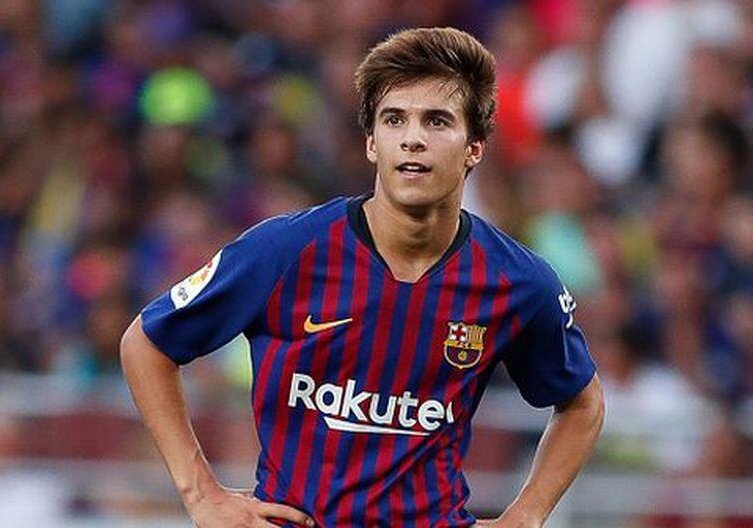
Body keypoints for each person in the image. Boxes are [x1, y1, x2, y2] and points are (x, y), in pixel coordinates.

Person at [120, 27, 604, 528]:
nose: (412, 138)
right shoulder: (285, 250)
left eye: (437, 121)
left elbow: (582, 403)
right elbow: (146, 344)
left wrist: (525, 516)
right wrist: (200, 493)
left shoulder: (517, 282)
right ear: (372, 142)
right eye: (394, 120)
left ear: (475, 146)